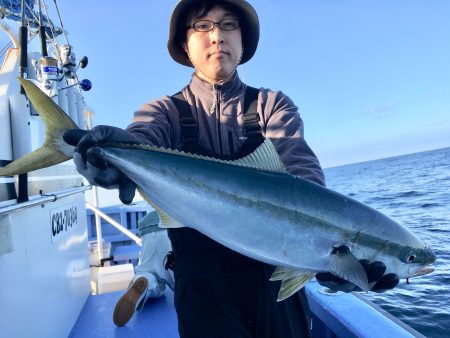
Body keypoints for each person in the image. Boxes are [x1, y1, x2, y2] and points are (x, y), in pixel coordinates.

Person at [64, 1, 399, 337]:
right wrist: (114, 156)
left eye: (228, 25)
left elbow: (304, 176)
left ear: (242, 40)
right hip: (202, 294)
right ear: (185, 44)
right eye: (203, 26)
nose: (217, 36)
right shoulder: (164, 112)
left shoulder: (271, 106)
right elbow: (142, 136)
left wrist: (331, 258)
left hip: (277, 287)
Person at [112, 211, 175, 327]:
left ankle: (144, 280)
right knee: (181, 280)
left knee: (148, 273)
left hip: (146, 232)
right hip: (168, 228)